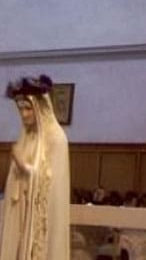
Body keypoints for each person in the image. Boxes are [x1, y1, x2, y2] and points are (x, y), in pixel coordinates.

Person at [0, 75, 70, 260]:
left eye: (28, 108)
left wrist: (24, 166)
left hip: (40, 220)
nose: (24, 114)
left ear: (39, 107)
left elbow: (52, 185)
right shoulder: (26, 137)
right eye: (21, 109)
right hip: (21, 213)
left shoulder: (56, 139)